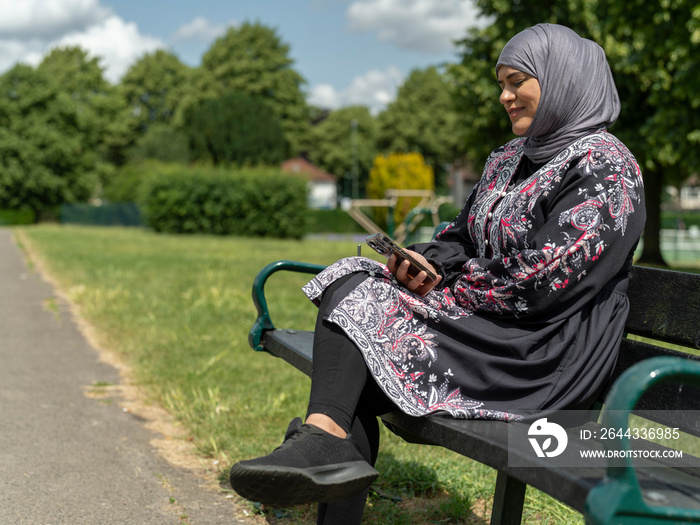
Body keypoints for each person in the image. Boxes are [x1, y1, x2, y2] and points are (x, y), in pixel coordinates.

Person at [230, 23, 646, 524]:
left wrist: (447, 288)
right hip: (485, 329)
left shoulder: (607, 166)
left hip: (539, 354)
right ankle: (322, 440)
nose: (504, 96)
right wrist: (427, 263)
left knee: (360, 317)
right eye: (502, 84)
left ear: (562, 81)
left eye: (517, 82)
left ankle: (318, 442)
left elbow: (545, 279)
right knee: (352, 291)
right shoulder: (509, 158)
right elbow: (462, 236)